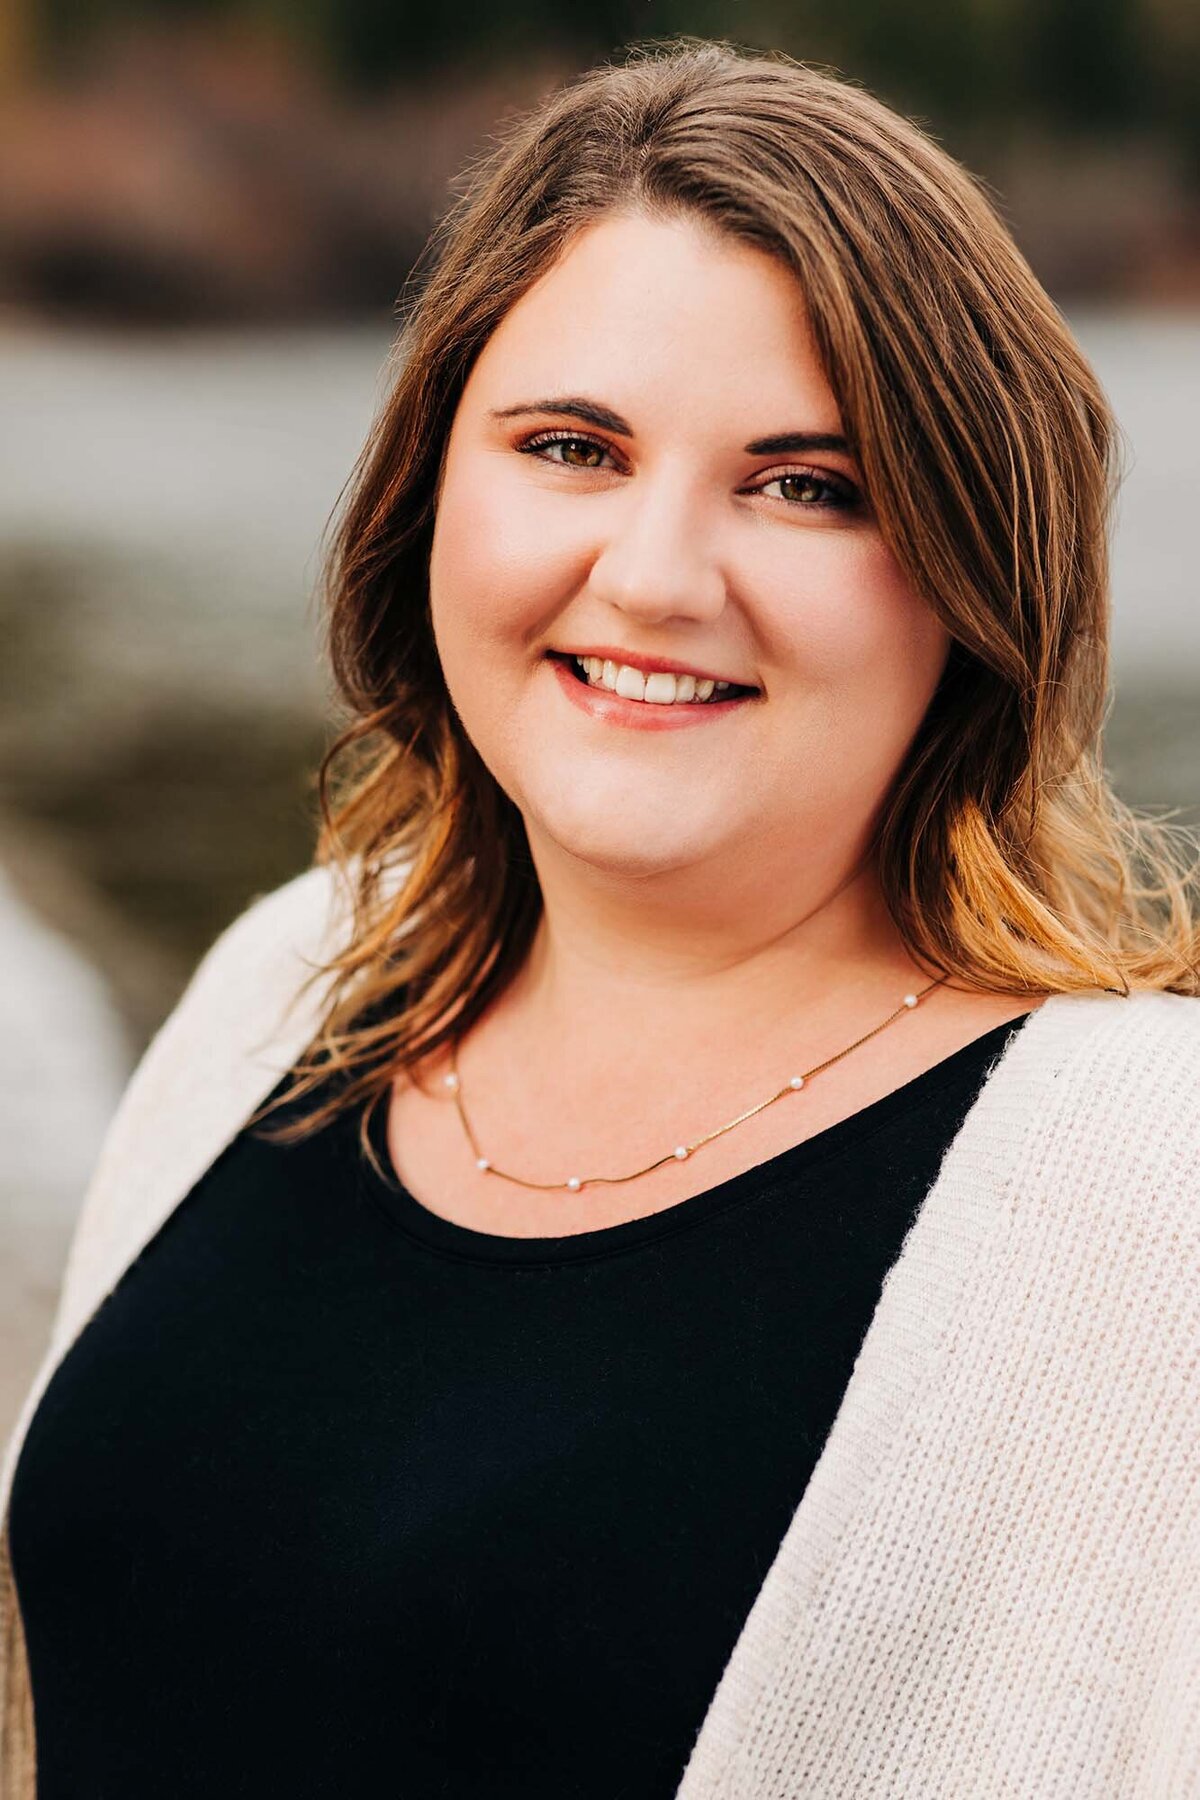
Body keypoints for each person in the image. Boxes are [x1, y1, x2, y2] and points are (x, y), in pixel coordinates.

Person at [2, 36, 1198, 1799]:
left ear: (969, 572)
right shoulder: (289, 982)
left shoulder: (1147, 1190)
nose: (650, 575)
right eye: (571, 446)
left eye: (807, 484)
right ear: (429, 492)